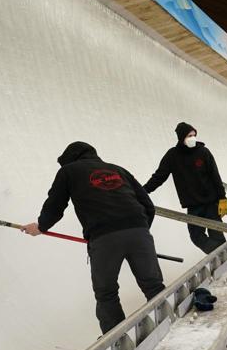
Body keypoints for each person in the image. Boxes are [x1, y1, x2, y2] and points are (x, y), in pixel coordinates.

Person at [22, 141, 164, 333]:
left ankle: (117, 341)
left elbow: (55, 205)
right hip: (139, 232)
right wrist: (138, 231)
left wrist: (40, 226)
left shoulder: (68, 171)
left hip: (104, 238)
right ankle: (168, 324)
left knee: (106, 293)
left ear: (69, 160)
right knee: (153, 285)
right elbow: (148, 206)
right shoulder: (118, 170)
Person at [143, 122, 227, 253]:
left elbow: (215, 176)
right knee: (196, 237)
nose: (193, 138)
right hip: (193, 206)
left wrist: (223, 198)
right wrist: (143, 191)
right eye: (189, 135)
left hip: (211, 203)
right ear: (182, 137)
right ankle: (224, 254)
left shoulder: (203, 152)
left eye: (194, 135)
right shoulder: (172, 156)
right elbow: (159, 177)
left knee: (216, 235)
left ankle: (224, 256)